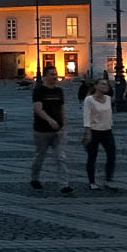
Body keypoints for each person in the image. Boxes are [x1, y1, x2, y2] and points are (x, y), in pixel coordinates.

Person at [31, 65, 73, 195]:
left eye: (55, 74)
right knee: (40, 157)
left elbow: (62, 108)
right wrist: (50, 120)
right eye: (51, 74)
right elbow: (38, 109)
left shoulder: (59, 91)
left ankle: (64, 185)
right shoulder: (39, 91)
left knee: (61, 158)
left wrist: (64, 121)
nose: (54, 76)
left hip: (58, 131)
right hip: (42, 130)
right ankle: (35, 178)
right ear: (45, 76)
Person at [82, 78, 117, 192]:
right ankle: (92, 182)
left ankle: (108, 179)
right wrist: (87, 132)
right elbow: (86, 116)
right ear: (96, 86)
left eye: (106, 84)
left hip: (107, 130)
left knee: (112, 154)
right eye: (102, 84)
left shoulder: (108, 99)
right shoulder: (89, 100)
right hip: (94, 130)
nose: (105, 86)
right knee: (92, 157)